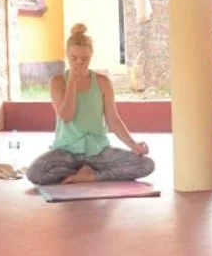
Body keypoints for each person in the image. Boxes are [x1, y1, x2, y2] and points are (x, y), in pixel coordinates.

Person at [26, 24, 155, 185]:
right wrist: (72, 82)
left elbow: (113, 120)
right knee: (35, 173)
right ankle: (82, 171)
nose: (79, 63)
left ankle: (91, 176)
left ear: (91, 56)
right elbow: (66, 116)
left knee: (146, 165)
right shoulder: (57, 82)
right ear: (67, 55)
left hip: (98, 152)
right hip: (67, 152)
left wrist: (134, 145)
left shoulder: (102, 82)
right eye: (73, 58)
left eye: (84, 59)